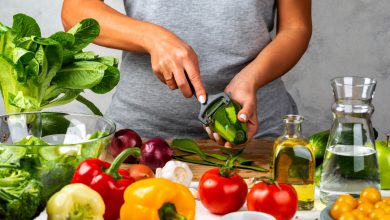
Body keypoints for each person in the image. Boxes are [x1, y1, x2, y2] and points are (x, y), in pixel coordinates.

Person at [61, 0, 312, 147]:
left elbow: (296, 27)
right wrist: (152, 38)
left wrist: (251, 78)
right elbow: (76, 10)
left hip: (257, 138)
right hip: (139, 138)